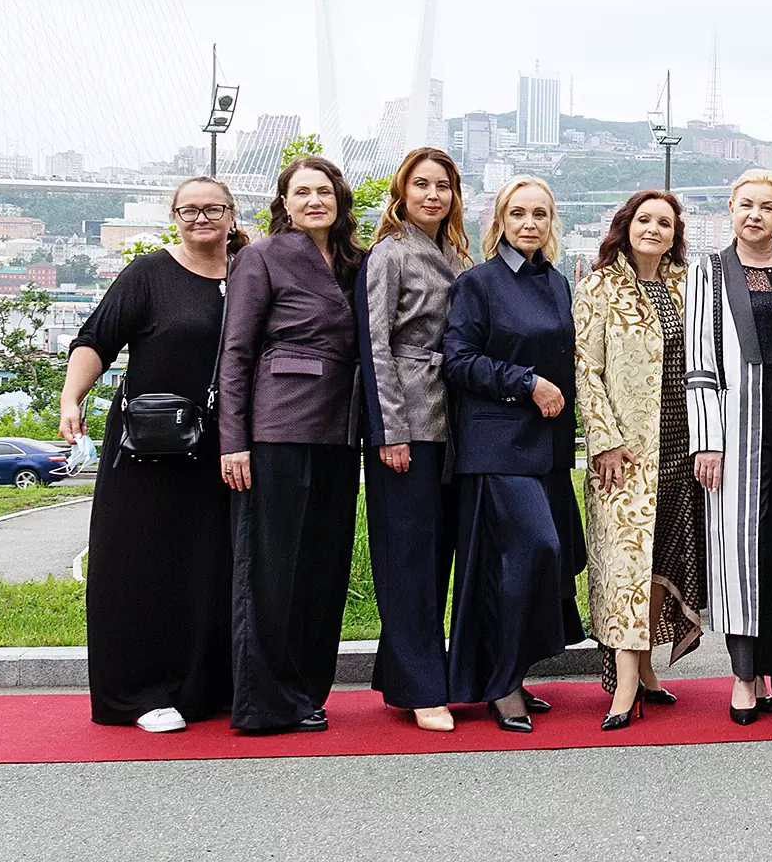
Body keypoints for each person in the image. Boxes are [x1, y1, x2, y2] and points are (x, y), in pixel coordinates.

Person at [59, 177, 248, 733]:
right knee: (139, 565)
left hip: (222, 447)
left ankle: (206, 687)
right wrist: (71, 399)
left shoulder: (250, 274)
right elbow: (95, 340)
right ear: (174, 216)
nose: (200, 218)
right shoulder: (148, 274)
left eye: (212, 209)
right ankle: (140, 693)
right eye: (188, 210)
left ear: (232, 214)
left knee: (209, 563)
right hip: (149, 447)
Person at [218, 156, 363, 735]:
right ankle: (263, 702)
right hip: (276, 428)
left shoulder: (356, 262)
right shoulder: (260, 257)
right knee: (271, 569)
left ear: (339, 200)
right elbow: (235, 352)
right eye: (301, 192)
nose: (314, 201)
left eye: (324, 191)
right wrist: (234, 441)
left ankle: (307, 691)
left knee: (324, 568)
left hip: (341, 429)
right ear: (284, 202)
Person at [442, 174, 579, 732]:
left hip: (548, 450)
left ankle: (513, 673)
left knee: (546, 561)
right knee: (531, 552)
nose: (529, 223)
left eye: (539, 214)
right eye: (518, 213)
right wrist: (527, 383)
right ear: (500, 220)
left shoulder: (558, 283)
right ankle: (500, 686)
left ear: (552, 222)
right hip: (497, 446)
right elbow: (457, 360)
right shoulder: (478, 284)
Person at [687, 170, 772, 725]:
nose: (755, 215)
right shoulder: (710, 271)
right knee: (741, 551)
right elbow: (699, 363)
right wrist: (707, 442)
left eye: (766, 206)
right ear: (731, 209)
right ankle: (744, 676)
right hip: (740, 430)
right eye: (745, 205)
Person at [575, 189, 703, 731]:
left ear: (675, 235)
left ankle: (646, 666)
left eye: (664, 223)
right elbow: (586, 369)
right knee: (625, 566)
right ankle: (625, 682)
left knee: (658, 565)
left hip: (680, 447)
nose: (654, 229)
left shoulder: (687, 285)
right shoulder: (599, 287)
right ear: (626, 226)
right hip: (624, 453)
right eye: (644, 220)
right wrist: (603, 440)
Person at [354, 147, 471, 733]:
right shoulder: (390, 252)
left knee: (439, 554)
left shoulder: (459, 255)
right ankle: (424, 688)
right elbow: (373, 344)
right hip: (407, 422)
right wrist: (389, 429)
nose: (432, 195)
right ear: (401, 192)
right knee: (408, 559)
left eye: (442, 186)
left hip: (455, 420)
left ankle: (408, 673)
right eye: (421, 184)